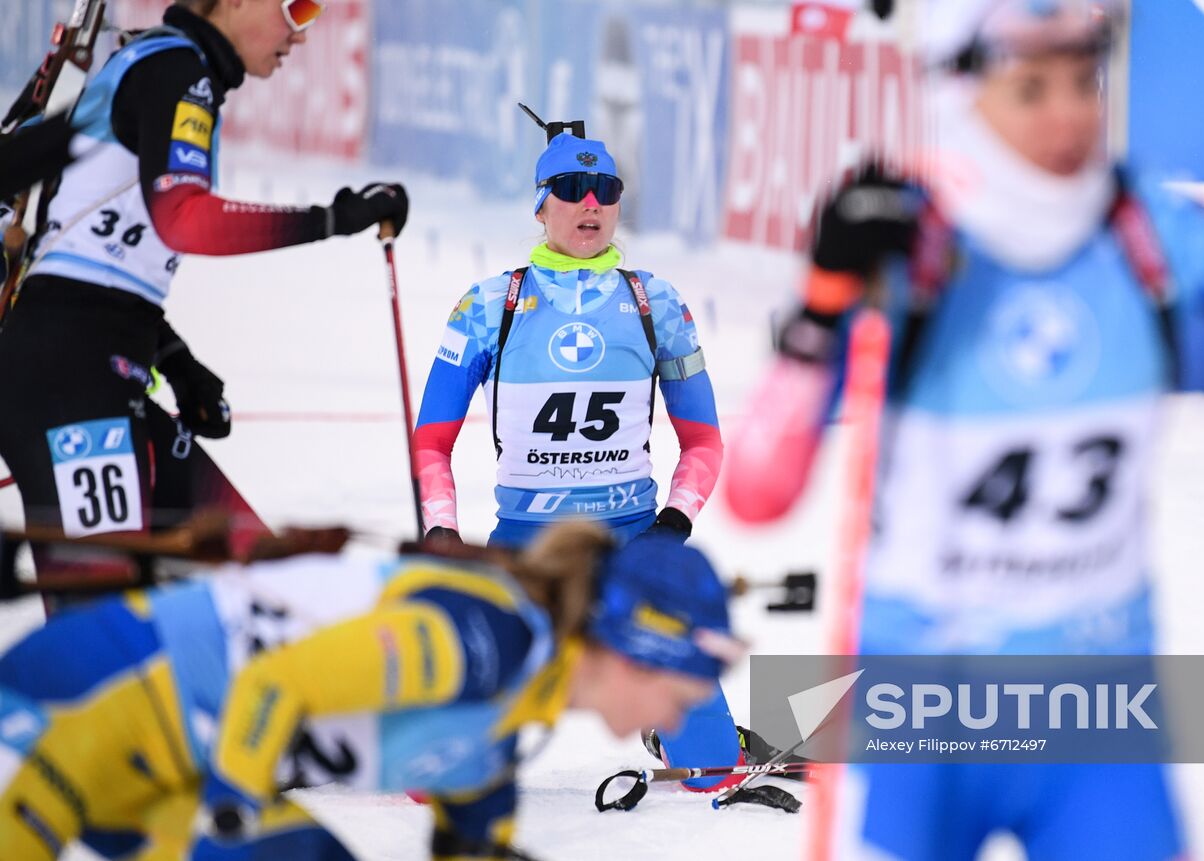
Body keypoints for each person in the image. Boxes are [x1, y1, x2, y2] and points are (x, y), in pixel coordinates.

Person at [725, 1, 1204, 859]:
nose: (1069, 114)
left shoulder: (1148, 225)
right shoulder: (908, 240)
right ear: (961, 89)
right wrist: (824, 300)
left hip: (1096, 702)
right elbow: (756, 489)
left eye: (1085, 79)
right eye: (1031, 87)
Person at [0, 524, 740, 860]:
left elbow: (478, 832)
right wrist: (229, 810)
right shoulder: (479, 643)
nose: (678, 717)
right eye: (680, 694)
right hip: (82, 698)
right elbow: (273, 683)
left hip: (160, 764)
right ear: (629, 654)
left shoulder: (509, 719)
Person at [0, 1, 410, 563]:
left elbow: (92, 249)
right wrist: (332, 220)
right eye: (295, 9)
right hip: (69, 378)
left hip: (94, 358)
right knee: (109, 620)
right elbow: (184, 219)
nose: (303, 33)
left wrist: (173, 358)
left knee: (250, 568)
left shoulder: (157, 64)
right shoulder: (178, 72)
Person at [411, 130, 739, 789]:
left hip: (631, 542)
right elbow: (430, 444)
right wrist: (442, 529)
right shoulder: (487, 306)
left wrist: (671, 526)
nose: (589, 203)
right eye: (569, 189)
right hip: (530, 548)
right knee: (434, 776)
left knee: (713, 770)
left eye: (606, 191)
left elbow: (703, 442)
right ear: (540, 204)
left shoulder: (657, 303)